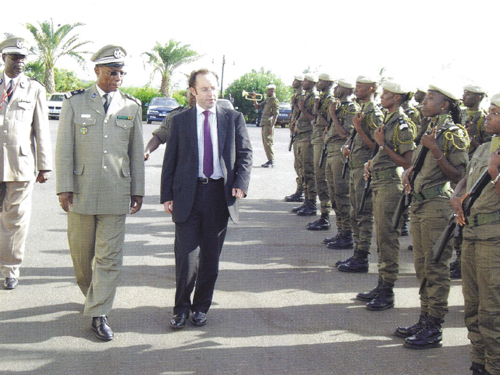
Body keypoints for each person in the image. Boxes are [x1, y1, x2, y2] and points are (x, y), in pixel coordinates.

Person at [55, 45, 145, 341]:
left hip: (116, 192)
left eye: (121, 72)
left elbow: (135, 152)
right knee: (82, 259)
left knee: (109, 258)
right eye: (112, 71)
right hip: (80, 191)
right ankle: (94, 298)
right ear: (97, 71)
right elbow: (64, 149)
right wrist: (64, 187)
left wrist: (138, 190)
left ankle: (98, 312)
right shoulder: (75, 102)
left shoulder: (131, 106)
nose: (118, 76)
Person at [161, 69, 252, 329]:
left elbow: (245, 153)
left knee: (211, 258)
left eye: (213, 88)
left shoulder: (233, 118)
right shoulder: (180, 120)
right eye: (204, 89)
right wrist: (167, 194)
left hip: (218, 196)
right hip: (188, 195)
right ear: (193, 91)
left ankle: (201, 307)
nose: (211, 94)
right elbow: (171, 160)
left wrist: (241, 185)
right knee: (186, 258)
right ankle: (181, 309)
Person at [395, 82, 469, 350]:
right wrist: (411, 171)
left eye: (431, 98)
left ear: (445, 105)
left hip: (438, 207)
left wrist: (436, 150)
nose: (424, 102)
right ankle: (424, 318)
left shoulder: (452, 134)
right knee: (422, 267)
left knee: (436, 268)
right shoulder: (430, 129)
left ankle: (434, 326)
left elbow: (460, 176)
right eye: (425, 97)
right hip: (420, 205)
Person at [451, 93, 500, 375]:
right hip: (471, 233)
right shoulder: (483, 148)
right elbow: (466, 180)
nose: (488, 116)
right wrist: (457, 195)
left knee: (492, 311)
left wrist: (495, 173)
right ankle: (478, 361)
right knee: (472, 306)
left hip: (494, 238)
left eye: (494, 112)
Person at [355, 82, 416, 309]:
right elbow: (384, 152)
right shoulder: (388, 120)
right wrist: (373, 162)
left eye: (387, 94)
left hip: (391, 184)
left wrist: (382, 146)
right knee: (381, 238)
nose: (382, 96)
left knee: (388, 239)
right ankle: (381, 285)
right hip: (380, 181)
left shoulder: (401, 124)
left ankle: (387, 290)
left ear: (398, 98)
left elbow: (408, 162)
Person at [0, 37, 52, 290]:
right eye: (14, 57)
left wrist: (45, 165)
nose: (20, 62)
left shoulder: (35, 89)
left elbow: (41, 129)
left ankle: (10, 268)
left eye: (23, 58)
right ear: (4, 59)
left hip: (20, 164)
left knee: (16, 219)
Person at [335, 76, 383, 264]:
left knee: (362, 212)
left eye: (360, 86)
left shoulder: (374, 114)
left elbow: (376, 147)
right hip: (355, 167)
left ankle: (362, 255)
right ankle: (356, 251)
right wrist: (349, 145)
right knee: (355, 212)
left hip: (365, 169)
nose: (356, 89)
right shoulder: (362, 110)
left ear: (371, 89)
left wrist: (358, 129)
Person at [450, 85, 491, 279]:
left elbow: (487, 146)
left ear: (479, 97)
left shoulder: (483, 119)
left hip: (480, 174)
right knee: (459, 217)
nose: (464, 96)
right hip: (466, 169)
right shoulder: (463, 116)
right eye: (464, 93)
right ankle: (459, 259)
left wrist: (471, 140)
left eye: (469, 94)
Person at [322, 79, 359, 245]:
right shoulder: (338, 106)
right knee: (333, 193)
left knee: (342, 194)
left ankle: (347, 234)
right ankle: (341, 230)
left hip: (340, 153)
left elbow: (345, 134)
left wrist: (333, 115)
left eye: (338, 87)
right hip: (331, 151)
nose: (335, 89)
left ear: (345, 90)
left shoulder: (351, 108)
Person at [307, 73, 335, 230]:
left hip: (323, 142)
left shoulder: (329, 100)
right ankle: (322, 214)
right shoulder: (323, 98)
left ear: (328, 83)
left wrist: (317, 112)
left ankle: (325, 216)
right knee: (318, 178)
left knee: (321, 179)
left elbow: (330, 123)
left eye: (321, 81)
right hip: (317, 139)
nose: (318, 84)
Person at [293, 74, 319, 216]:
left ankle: (312, 203)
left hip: (308, 137)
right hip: (300, 135)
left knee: (309, 171)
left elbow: (315, 118)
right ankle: (306, 201)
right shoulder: (306, 97)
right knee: (302, 170)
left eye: (306, 81)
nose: (303, 82)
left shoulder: (313, 98)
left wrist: (302, 109)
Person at [144, 90, 195, 160]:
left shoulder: (213, 116)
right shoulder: (175, 116)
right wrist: (147, 151)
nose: (194, 96)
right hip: (182, 163)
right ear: (186, 94)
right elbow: (160, 136)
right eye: (191, 93)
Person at [285, 76, 305, 203]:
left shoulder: (302, 96)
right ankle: (300, 190)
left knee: (303, 167)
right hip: (297, 133)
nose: (293, 82)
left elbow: (303, 113)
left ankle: (302, 192)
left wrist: (294, 105)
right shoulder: (297, 95)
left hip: (304, 134)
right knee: (298, 166)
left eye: (295, 80)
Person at [253, 84, 279, 167]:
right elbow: (258, 107)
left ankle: (271, 160)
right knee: (265, 142)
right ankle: (269, 159)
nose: (266, 92)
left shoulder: (274, 100)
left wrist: (272, 126)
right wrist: (254, 99)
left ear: (272, 91)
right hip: (264, 123)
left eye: (268, 91)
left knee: (268, 142)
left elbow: (275, 114)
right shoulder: (268, 100)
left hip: (268, 123)